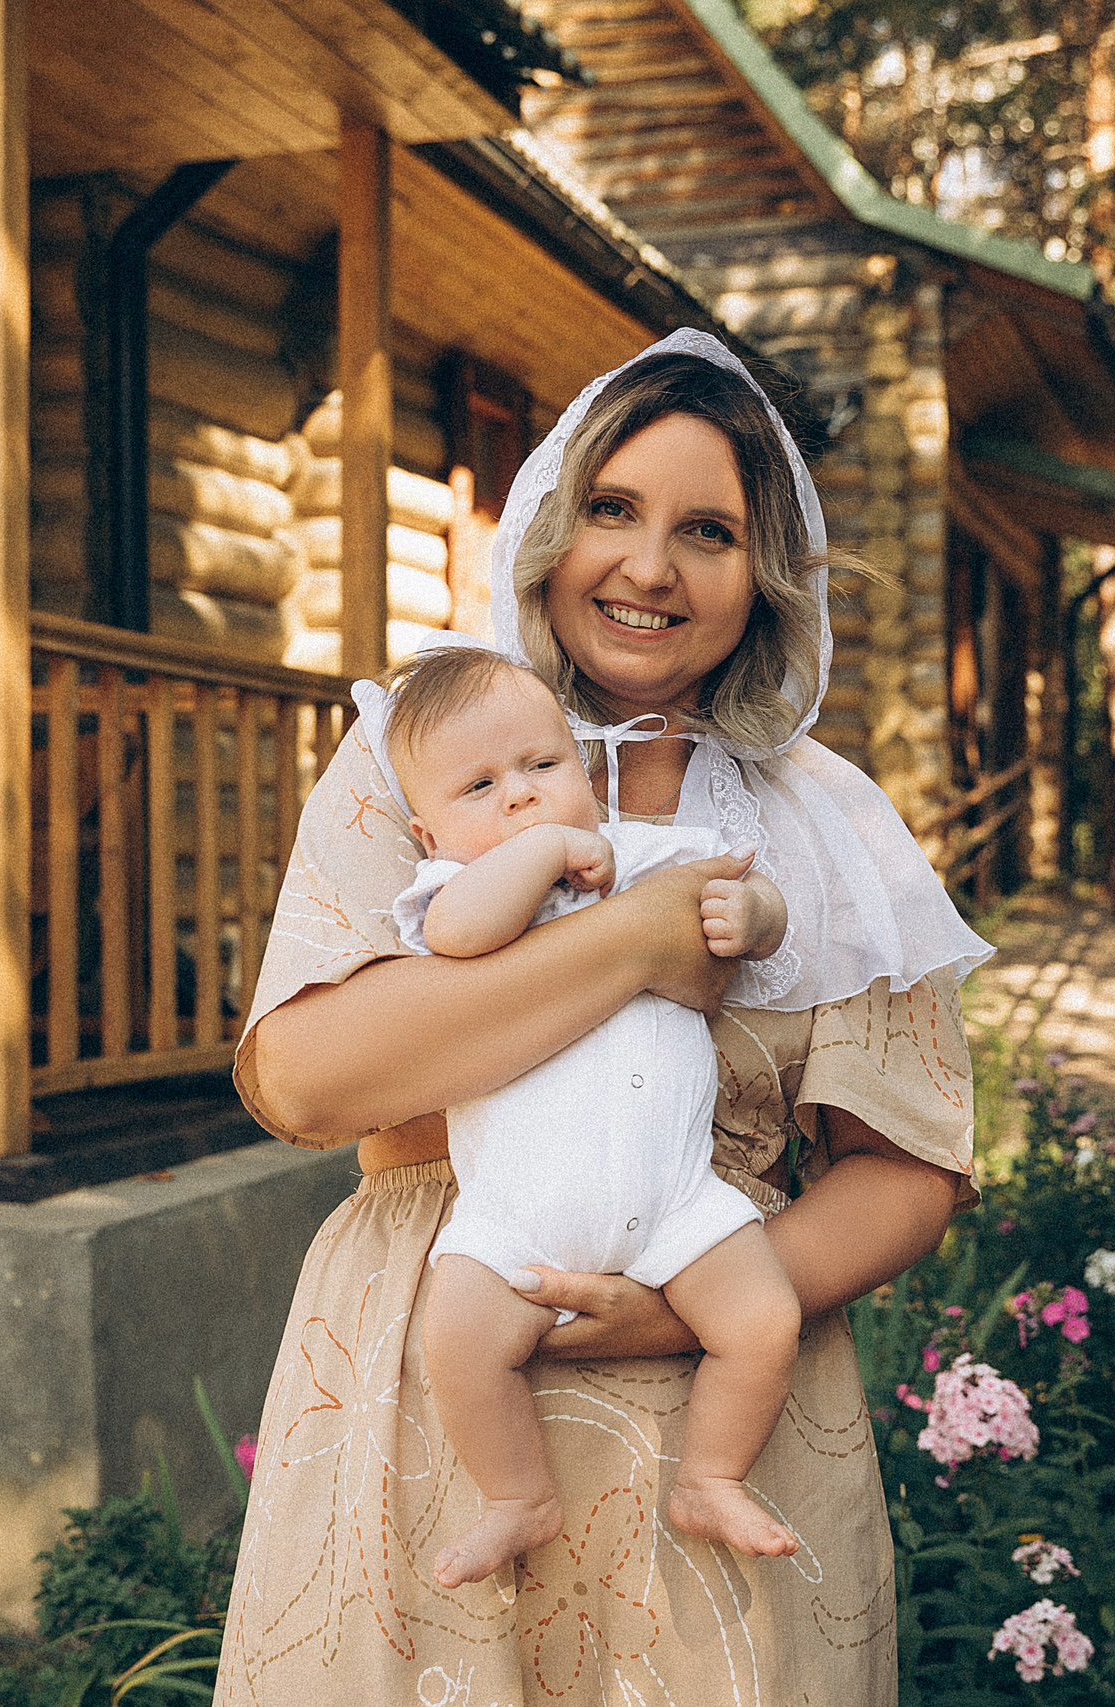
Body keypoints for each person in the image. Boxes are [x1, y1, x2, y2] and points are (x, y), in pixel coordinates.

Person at [214, 329, 992, 1707]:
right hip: (436, 1376)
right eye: (612, 510)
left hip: (726, 1387)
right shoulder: (422, 755)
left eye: (709, 531)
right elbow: (306, 1080)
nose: (649, 567)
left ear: (764, 575)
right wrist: (636, 938)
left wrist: (668, 1313)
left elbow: (909, 1169)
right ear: (546, 527)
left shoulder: (829, 826)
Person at [373, 646, 802, 1586]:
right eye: (481, 786)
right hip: (516, 1220)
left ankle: (712, 1475)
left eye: (542, 764)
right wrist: (541, 853)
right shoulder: (453, 887)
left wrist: (754, 916)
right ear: (428, 829)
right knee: (457, 1340)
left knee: (766, 1318)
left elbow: (741, 883)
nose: (521, 795)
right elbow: (460, 936)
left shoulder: (646, 853)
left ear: (585, 767)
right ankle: (516, 1496)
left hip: (679, 1199)